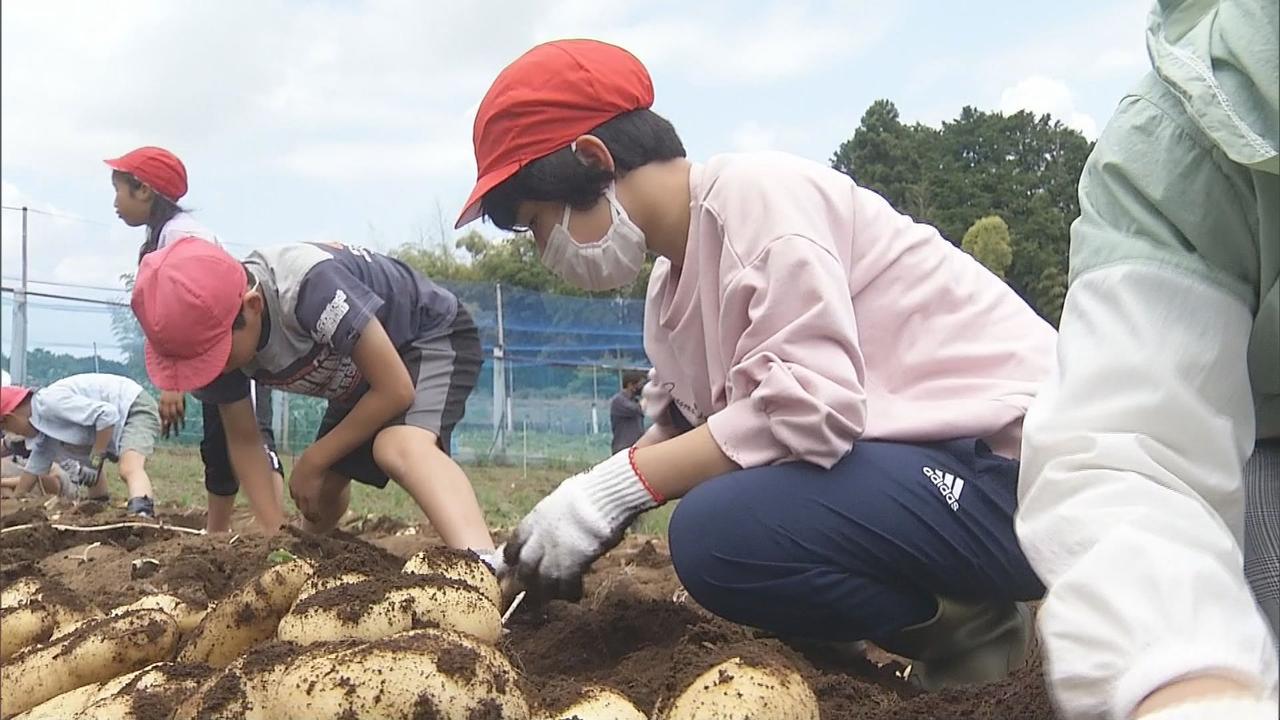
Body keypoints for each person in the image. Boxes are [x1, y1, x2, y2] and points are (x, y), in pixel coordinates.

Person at [460, 39, 1057, 689]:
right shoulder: (669, 289)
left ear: (593, 159)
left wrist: (614, 491)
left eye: (540, 222)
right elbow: (694, 431)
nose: (545, 250)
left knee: (722, 529)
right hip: (930, 473)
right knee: (732, 522)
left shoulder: (758, 199)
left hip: (1023, 476)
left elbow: (813, 409)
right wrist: (570, 510)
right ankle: (859, 670)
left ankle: (977, 632)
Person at [1014, 0, 1279, 718]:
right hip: (1247, 438)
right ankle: (979, 646)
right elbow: (1128, 445)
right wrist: (1188, 681)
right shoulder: (1191, 121)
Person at [131, 237, 497, 558]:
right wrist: (277, 538)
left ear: (252, 306)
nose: (213, 370)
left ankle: (483, 561)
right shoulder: (214, 338)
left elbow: (396, 389)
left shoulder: (309, 288)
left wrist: (313, 459)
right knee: (318, 495)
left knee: (396, 445)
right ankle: (308, 556)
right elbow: (244, 441)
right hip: (360, 376)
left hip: (426, 336)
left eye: (216, 356)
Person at [107, 146, 285, 532]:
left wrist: (172, 383)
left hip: (229, 346)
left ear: (144, 190)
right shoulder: (162, 236)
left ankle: (277, 532)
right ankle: (218, 533)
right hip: (206, 352)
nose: (114, 203)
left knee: (253, 438)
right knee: (218, 446)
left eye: (118, 189)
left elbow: (189, 309)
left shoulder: (183, 236)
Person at [0, 374, 160, 515]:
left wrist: (96, 458)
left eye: (6, 428)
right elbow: (34, 469)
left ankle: (142, 516)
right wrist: (15, 502)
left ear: (9, 418)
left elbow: (107, 415)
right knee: (81, 456)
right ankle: (98, 505)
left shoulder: (50, 403)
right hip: (111, 421)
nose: (13, 434)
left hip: (132, 406)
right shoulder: (44, 430)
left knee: (129, 467)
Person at [609, 370, 646, 454]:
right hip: (622, 449)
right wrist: (648, 396)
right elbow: (637, 409)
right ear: (630, 385)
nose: (642, 387)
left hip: (636, 448)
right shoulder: (619, 401)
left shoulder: (635, 400)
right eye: (641, 384)